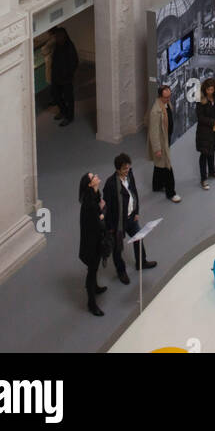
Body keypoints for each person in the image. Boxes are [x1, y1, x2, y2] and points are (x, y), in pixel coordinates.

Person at [103, 153, 157, 283]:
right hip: (118, 223)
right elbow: (107, 208)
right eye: (124, 169)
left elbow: (134, 193)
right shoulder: (110, 185)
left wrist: (136, 211)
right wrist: (110, 227)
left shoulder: (129, 175)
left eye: (128, 167)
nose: (127, 171)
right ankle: (121, 272)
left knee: (139, 239)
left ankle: (141, 262)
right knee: (118, 249)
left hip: (131, 218)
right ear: (117, 169)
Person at [78, 171, 107, 316]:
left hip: (95, 241)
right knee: (92, 271)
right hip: (91, 245)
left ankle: (95, 287)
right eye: (93, 177)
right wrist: (102, 214)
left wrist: (101, 212)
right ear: (90, 184)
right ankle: (91, 303)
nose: (96, 176)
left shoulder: (95, 196)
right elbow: (98, 223)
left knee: (94, 269)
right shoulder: (89, 204)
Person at [148, 85, 180, 203]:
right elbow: (154, 132)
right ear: (160, 96)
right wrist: (157, 148)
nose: (168, 99)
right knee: (167, 166)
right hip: (162, 142)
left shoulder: (166, 104)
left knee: (159, 164)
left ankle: (157, 185)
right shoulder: (155, 111)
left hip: (167, 138)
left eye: (169, 96)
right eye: (166, 97)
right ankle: (171, 193)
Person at [195, 78, 215, 189]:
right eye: (208, 89)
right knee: (204, 154)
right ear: (205, 89)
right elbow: (200, 117)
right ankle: (203, 179)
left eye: (212, 89)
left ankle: (212, 172)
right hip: (204, 132)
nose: (210, 92)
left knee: (212, 151)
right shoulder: (200, 100)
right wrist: (213, 122)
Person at [50, 26, 78, 126]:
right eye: (56, 36)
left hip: (66, 78)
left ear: (64, 36)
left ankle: (69, 117)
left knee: (68, 98)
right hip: (56, 77)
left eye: (59, 36)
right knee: (56, 96)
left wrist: (68, 74)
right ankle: (63, 111)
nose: (57, 38)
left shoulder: (69, 47)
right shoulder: (57, 46)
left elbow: (74, 62)